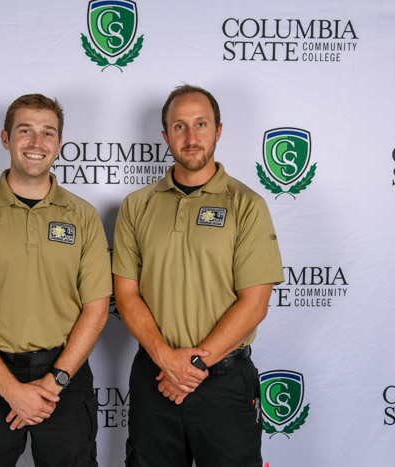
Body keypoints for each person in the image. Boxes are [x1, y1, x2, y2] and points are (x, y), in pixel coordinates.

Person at [0, 93, 112, 467]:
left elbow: (96, 310)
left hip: (65, 375)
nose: (36, 142)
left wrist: (53, 382)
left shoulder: (83, 216)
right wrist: (11, 390)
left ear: (59, 144)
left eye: (48, 133)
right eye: (25, 130)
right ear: (5, 138)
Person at [112, 84, 284, 466]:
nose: (191, 138)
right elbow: (126, 295)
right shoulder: (137, 206)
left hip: (224, 384)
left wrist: (193, 367)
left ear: (218, 131)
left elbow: (254, 305)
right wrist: (167, 362)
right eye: (179, 126)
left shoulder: (247, 206)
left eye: (201, 125)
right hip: (155, 378)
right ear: (165, 136)